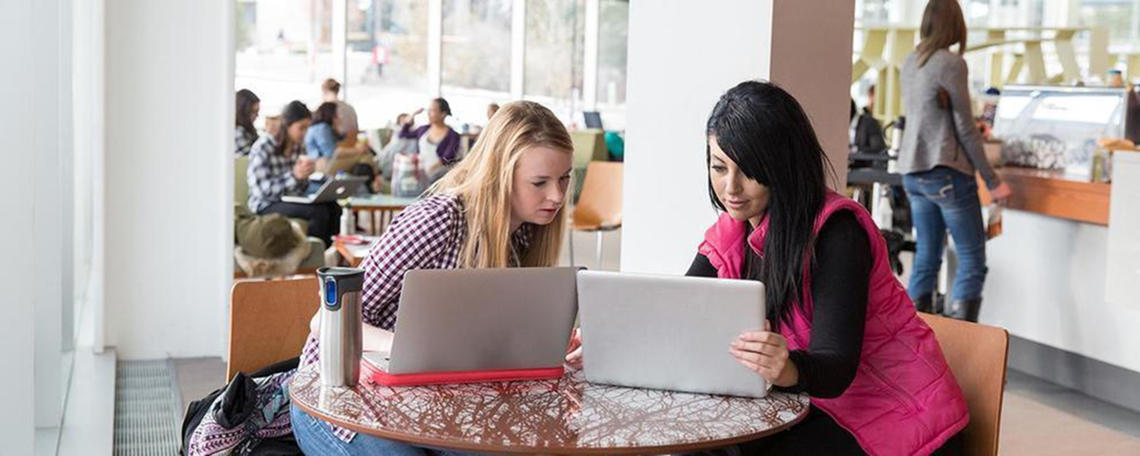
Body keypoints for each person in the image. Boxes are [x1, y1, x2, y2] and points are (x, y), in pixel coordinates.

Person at [669, 81, 967, 455]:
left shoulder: (837, 233)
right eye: (718, 167)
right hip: (813, 407)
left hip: (897, 420)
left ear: (783, 166)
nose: (731, 187)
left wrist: (786, 367)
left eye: (750, 171)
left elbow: (836, 368)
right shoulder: (732, 230)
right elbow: (675, 314)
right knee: (693, 443)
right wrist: (607, 340)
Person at [290, 100, 575, 455]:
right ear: (499, 174)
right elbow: (326, 321)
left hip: (425, 400)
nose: (558, 196)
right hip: (335, 397)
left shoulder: (526, 233)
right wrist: (411, 348)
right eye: (540, 182)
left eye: (564, 178)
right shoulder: (439, 220)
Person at [899, 0, 1012, 321]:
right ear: (955, 25)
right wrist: (993, 181)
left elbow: (930, 116)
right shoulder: (951, 63)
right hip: (946, 173)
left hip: (914, 173)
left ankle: (915, 349)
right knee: (972, 260)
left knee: (926, 259)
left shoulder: (911, 61)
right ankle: (962, 350)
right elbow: (964, 127)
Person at [247, 101, 341, 244]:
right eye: (301, 128)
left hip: (290, 198)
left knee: (334, 207)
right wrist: (294, 176)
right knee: (318, 212)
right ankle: (317, 259)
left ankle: (333, 255)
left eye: (307, 128)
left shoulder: (299, 148)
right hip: (265, 204)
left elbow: (301, 188)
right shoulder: (263, 147)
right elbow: (262, 191)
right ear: (287, 125)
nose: (305, 133)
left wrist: (305, 176)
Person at [398, 98, 461, 181]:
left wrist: (427, 172)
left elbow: (446, 159)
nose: (428, 113)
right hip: (419, 171)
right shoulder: (423, 129)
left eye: (432, 110)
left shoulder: (453, 135)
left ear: (443, 114)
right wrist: (412, 115)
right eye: (428, 110)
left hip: (438, 175)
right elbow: (402, 135)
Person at [305, 101, 368, 172]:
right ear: (331, 114)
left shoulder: (325, 128)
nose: (340, 117)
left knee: (363, 159)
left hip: (325, 164)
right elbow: (331, 153)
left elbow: (341, 140)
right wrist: (356, 151)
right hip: (320, 166)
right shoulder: (322, 128)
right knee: (363, 158)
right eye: (337, 114)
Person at [321, 78, 360, 143]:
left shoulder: (324, 109)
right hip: (352, 144)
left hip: (336, 147)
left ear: (324, 90)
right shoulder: (349, 107)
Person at [234, 89, 260, 156]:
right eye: (254, 111)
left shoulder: (248, 131)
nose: (257, 115)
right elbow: (255, 157)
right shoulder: (238, 132)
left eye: (258, 111)